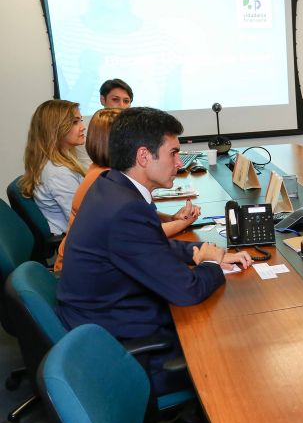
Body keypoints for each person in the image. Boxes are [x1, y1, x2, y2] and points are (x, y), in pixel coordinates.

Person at [57, 107, 253, 395]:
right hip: (115, 339)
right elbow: (186, 290)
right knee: (234, 342)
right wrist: (211, 264)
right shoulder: (125, 208)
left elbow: (150, 247)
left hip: (96, 315)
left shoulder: (112, 186)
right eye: (173, 153)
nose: (179, 161)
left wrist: (206, 250)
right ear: (144, 156)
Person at [53, 108, 201, 272]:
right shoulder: (106, 180)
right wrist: (182, 223)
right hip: (79, 272)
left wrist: (171, 218)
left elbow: (142, 221)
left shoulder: (110, 176)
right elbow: (144, 234)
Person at [19, 100, 86, 235]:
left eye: (81, 121)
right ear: (55, 128)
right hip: (73, 239)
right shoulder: (59, 173)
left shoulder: (57, 162)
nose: (82, 127)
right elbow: (84, 222)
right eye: (75, 122)